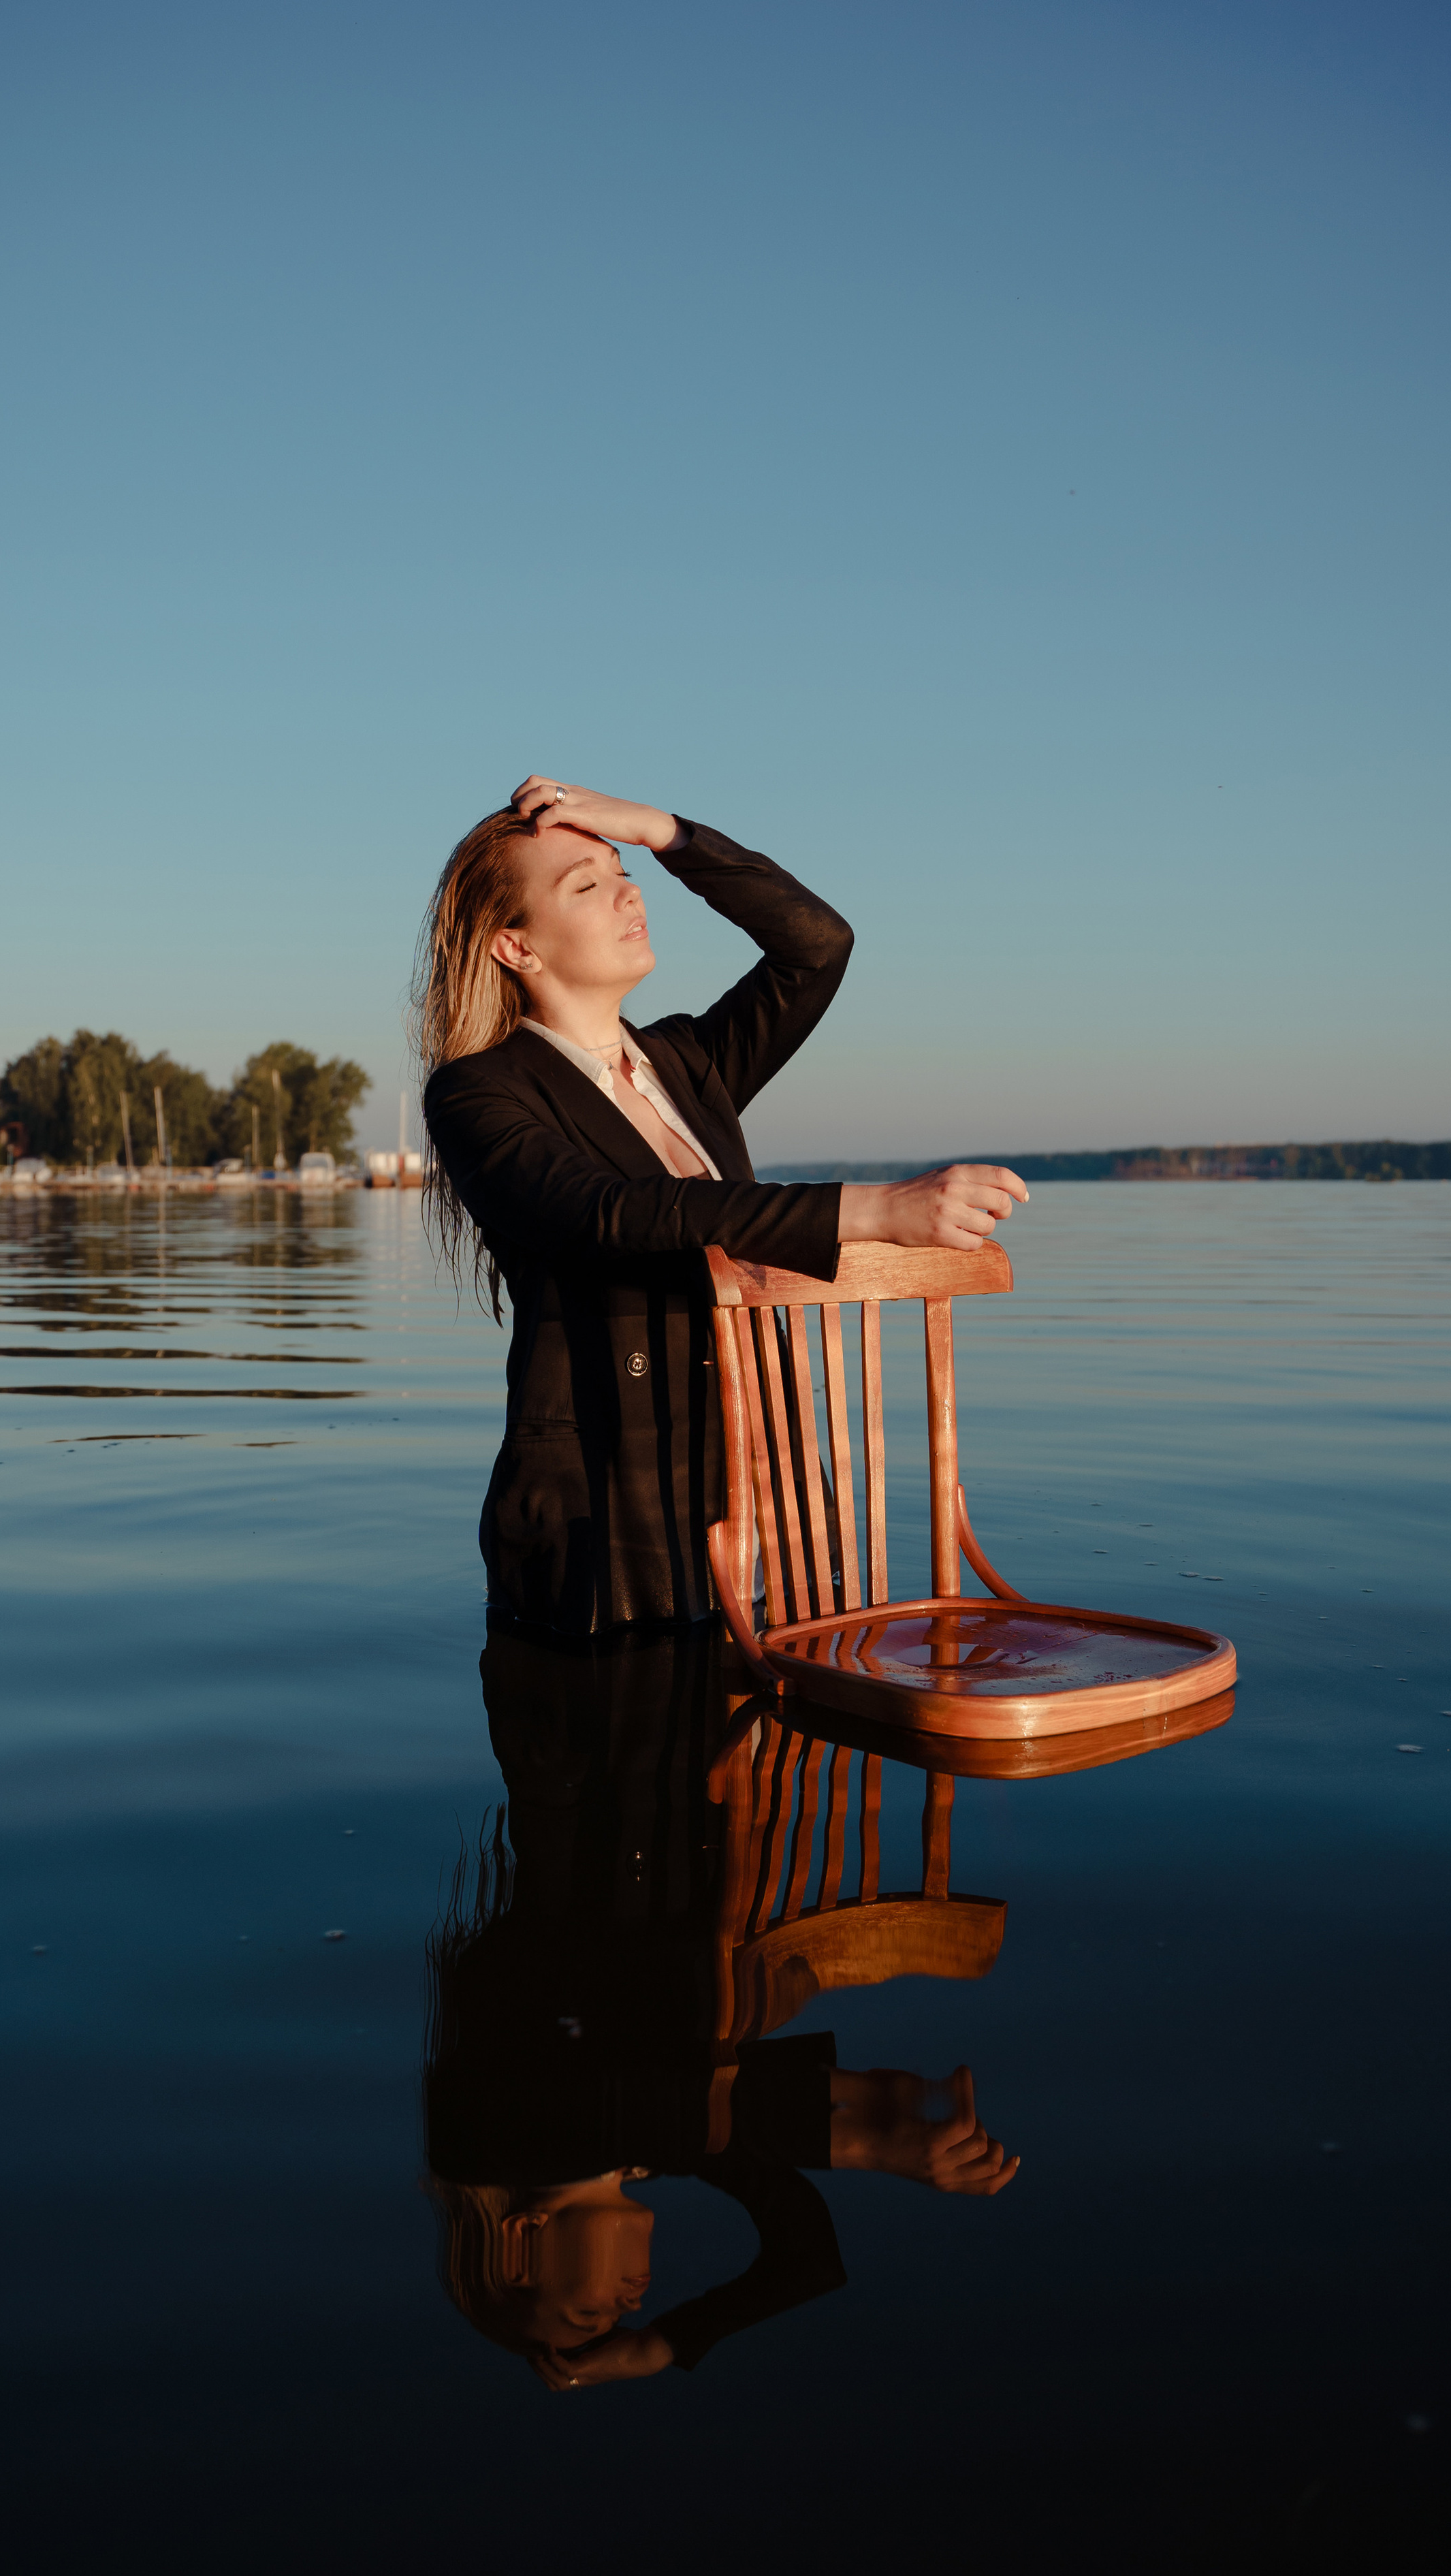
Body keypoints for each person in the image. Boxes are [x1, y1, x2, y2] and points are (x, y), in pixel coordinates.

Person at [417, 778, 1027, 1635]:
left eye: (620, 871)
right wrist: (872, 1210)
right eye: (586, 885)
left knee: (777, 1752)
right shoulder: (477, 1092)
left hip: (765, 1493)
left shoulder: (687, 1062)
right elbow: (606, 1212)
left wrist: (664, 833)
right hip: (609, 1515)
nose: (626, 891)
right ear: (516, 948)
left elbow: (818, 945)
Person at [422, 1621, 1020, 2391]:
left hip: (623, 1716)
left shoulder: (505, 2134)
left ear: (524, 2242)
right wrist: (664, 2345)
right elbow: (804, 2256)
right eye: (619, 2320)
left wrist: (871, 2129)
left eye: (587, 2314)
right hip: (698, 1738)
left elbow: (678, 2119)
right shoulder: (656, 2141)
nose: (629, 2305)